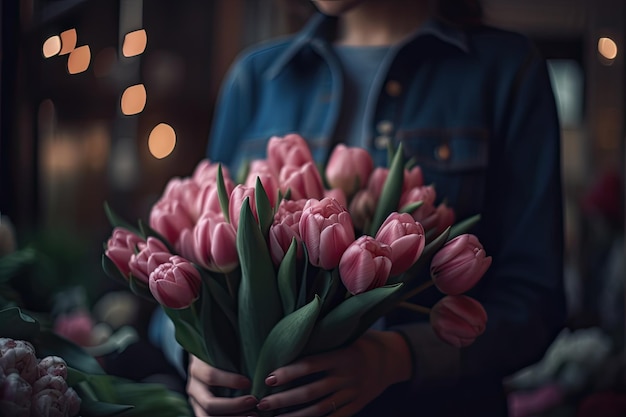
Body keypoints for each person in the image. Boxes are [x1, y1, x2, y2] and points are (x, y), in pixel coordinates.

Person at [183, 0, 567, 415]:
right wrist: (197, 352)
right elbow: (188, 258)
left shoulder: (506, 69)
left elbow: (535, 305)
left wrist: (396, 356)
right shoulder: (257, 78)